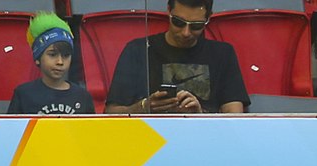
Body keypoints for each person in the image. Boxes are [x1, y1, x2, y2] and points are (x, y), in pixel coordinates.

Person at [106, 3, 248, 113]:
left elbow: (235, 117)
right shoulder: (138, 50)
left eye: (196, 26)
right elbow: (110, 113)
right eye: (179, 22)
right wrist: (144, 107)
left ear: (208, 18)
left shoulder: (222, 53)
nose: (186, 33)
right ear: (169, 11)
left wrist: (200, 116)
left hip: (204, 137)